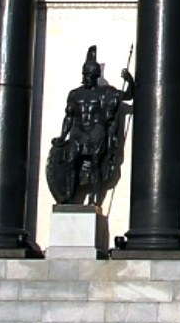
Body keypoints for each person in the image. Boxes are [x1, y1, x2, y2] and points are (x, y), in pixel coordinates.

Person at [45, 46, 135, 206]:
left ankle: (94, 198)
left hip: (96, 131)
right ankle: (69, 195)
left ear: (95, 76)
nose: (86, 78)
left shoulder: (105, 93)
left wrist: (129, 80)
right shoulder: (74, 94)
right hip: (77, 132)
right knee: (71, 161)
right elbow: (69, 117)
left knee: (95, 163)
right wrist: (62, 136)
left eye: (89, 75)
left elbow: (128, 95)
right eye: (85, 75)